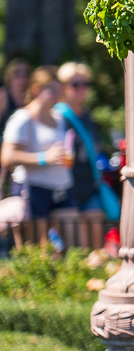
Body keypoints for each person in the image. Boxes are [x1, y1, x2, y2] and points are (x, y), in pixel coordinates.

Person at [1, 66, 77, 245]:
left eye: (58, 89)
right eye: (51, 89)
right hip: (33, 190)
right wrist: (43, 158)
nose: (57, 94)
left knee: (74, 247)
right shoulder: (22, 118)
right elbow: (7, 157)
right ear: (36, 89)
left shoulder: (58, 117)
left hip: (61, 188)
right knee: (36, 251)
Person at [55, 62, 111, 249]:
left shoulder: (87, 116)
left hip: (89, 186)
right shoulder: (57, 116)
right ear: (63, 87)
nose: (81, 89)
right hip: (67, 189)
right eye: (75, 84)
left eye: (84, 84)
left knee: (96, 244)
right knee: (78, 246)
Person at [0, 58, 30, 134]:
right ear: (9, 76)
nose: (22, 78)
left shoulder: (32, 97)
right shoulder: (3, 96)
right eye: (17, 74)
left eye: (26, 74)